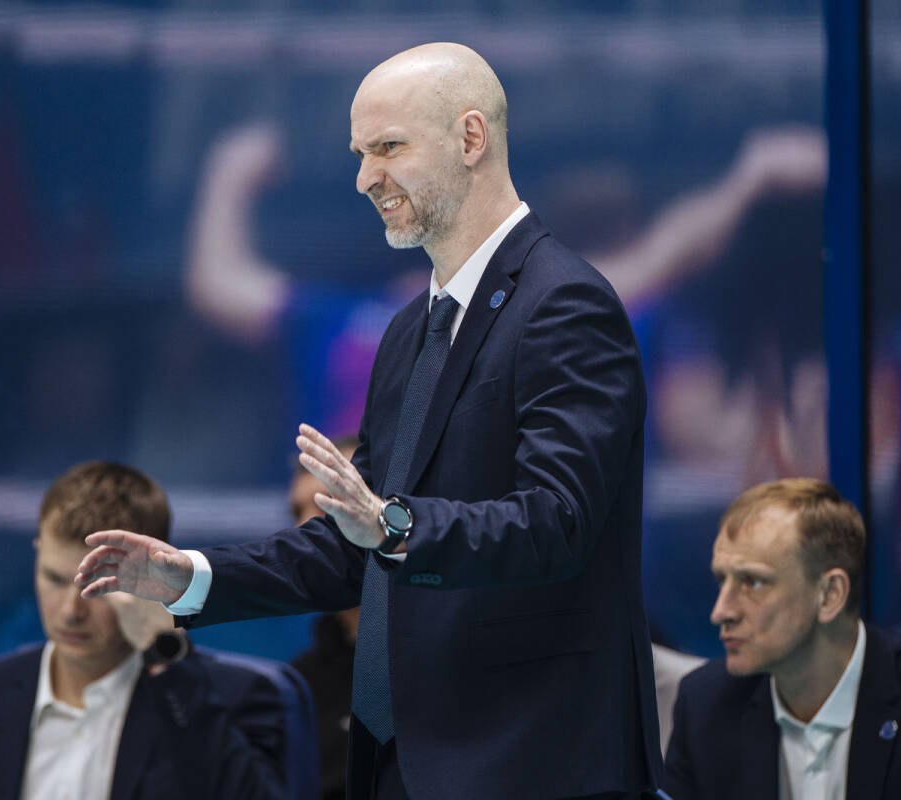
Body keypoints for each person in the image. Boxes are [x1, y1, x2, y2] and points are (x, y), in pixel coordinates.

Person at [76, 42, 662, 799]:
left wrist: (391, 524)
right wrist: (191, 578)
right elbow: (356, 544)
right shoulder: (408, 331)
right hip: (402, 760)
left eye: (388, 148)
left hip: (530, 762)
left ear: (471, 138)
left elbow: (556, 520)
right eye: (360, 155)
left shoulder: (566, 303)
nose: (365, 179)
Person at [0, 461, 288, 800]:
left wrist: (167, 656)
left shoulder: (226, 702)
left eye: (98, 587)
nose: (71, 611)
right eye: (55, 578)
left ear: (153, 579)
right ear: (37, 553)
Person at [663, 478, 901, 799]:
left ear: (830, 594)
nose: (721, 611)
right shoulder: (706, 706)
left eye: (753, 582)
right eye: (722, 581)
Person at [286, 435, 361, 800]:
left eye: (324, 505)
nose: (302, 529)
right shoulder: (298, 686)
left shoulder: (449, 658)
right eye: (297, 512)